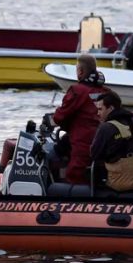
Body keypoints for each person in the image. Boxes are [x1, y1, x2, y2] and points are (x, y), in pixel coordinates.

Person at [46, 54, 109, 184]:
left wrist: (49, 121)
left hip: (81, 144)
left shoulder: (77, 91)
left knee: (49, 157)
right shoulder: (105, 92)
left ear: (80, 71)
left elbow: (59, 116)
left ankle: (50, 186)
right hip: (100, 144)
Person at [90, 91, 133, 192]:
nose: (98, 113)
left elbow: (94, 154)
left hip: (117, 183)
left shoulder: (106, 127)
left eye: (100, 109)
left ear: (111, 109)